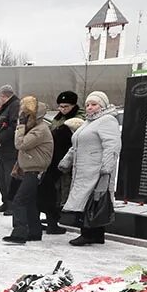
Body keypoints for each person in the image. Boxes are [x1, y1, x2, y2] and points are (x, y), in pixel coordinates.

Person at [59, 91, 121, 246]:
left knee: (93, 201)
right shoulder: (89, 122)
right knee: (90, 201)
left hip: (96, 170)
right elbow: (76, 145)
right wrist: (66, 161)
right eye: (87, 105)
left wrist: (106, 167)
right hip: (83, 170)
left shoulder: (107, 120)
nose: (89, 108)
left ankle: (88, 234)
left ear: (103, 105)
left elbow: (112, 145)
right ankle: (97, 235)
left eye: (94, 104)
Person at [2, 97, 54, 244]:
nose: (22, 116)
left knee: (19, 201)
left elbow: (20, 144)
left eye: (25, 114)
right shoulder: (36, 128)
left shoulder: (40, 130)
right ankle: (34, 231)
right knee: (29, 202)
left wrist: (20, 126)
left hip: (35, 171)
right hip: (29, 170)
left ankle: (20, 232)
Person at [37, 91, 85, 234]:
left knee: (66, 187)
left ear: (73, 105)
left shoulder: (79, 118)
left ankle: (63, 214)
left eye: (66, 106)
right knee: (54, 188)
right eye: (60, 106)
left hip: (70, 158)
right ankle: (54, 215)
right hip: (55, 157)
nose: (62, 109)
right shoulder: (58, 118)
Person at [0, 84, 20, 215]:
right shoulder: (7, 107)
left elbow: (14, 127)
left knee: (9, 178)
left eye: (0, 97)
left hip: (10, 149)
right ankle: (6, 201)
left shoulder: (15, 106)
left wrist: (0, 138)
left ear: (4, 96)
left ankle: (12, 204)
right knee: (1, 178)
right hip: (3, 151)